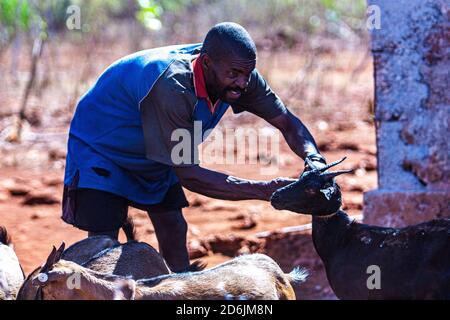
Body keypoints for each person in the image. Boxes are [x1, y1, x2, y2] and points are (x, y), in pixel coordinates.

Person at [62, 22, 327, 272]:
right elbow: (189, 175)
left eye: (247, 74)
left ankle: (180, 291)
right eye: (234, 74)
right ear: (207, 63)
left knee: (173, 227)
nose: (242, 83)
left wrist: (313, 158)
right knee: (104, 243)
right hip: (102, 146)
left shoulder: (240, 75)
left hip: (154, 148)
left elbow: (287, 122)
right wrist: (265, 190)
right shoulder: (173, 87)